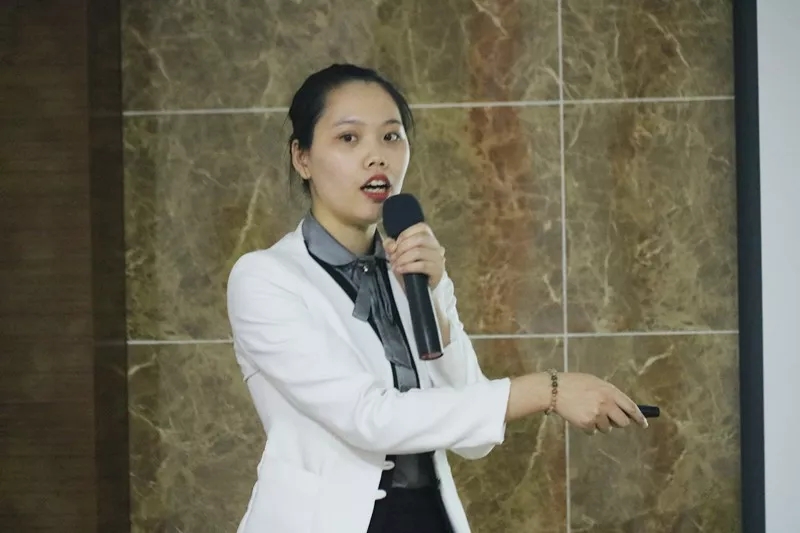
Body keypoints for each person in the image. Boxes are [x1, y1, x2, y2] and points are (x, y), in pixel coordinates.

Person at [225, 63, 648, 533]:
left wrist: (435, 295)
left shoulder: (410, 270)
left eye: (391, 136)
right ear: (302, 158)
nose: (376, 157)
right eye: (349, 138)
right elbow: (367, 417)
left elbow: (474, 441)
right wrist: (548, 390)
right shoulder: (266, 279)